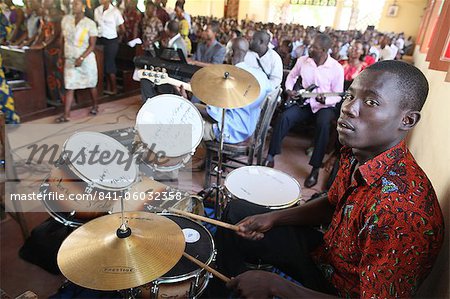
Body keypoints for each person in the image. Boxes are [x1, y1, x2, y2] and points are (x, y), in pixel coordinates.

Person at [213, 60, 444, 299]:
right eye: (349, 96)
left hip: (343, 290)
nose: (349, 108)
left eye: (371, 102)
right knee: (238, 213)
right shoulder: (358, 152)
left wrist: (278, 286)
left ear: (407, 120)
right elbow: (332, 203)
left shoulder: (402, 213)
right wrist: (274, 217)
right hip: (328, 256)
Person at [265, 33, 344, 188]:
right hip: (305, 101)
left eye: (313, 46)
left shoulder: (336, 68)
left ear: (323, 50)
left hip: (324, 106)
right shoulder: (303, 61)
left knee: (324, 124)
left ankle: (315, 168)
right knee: (285, 117)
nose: (310, 47)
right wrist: (289, 89)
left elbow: (338, 94)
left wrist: (325, 100)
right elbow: (292, 76)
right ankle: (271, 155)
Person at [179, 37, 272, 144]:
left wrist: (187, 103)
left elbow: (213, 115)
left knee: (181, 126)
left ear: (231, 53)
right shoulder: (260, 75)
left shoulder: (228, 80)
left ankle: (190, 157)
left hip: (229, 131)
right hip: (248, 127)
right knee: (196, 107)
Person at [56, 0, 98, 123]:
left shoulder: (90, 24)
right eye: (72, 4)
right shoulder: (66, 20)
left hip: (86, 59)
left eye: (76, 4)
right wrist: (60, 55)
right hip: (70, 58)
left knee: (91, 84)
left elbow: (92, 46)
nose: (73, 6)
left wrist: (81, 58)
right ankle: (66, 114)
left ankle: (95, 106)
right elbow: (62, 40)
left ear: (83, 7)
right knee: (70, 86)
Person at [94, 0, 124, 95]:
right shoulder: (97, 10)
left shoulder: (115, 11)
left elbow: (122, 29)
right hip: (100, 39)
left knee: (109, 64)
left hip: (111, 40)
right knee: (101, 63)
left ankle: (114, 88)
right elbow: (96, 25)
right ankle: (107, 87)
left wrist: (118, 39)